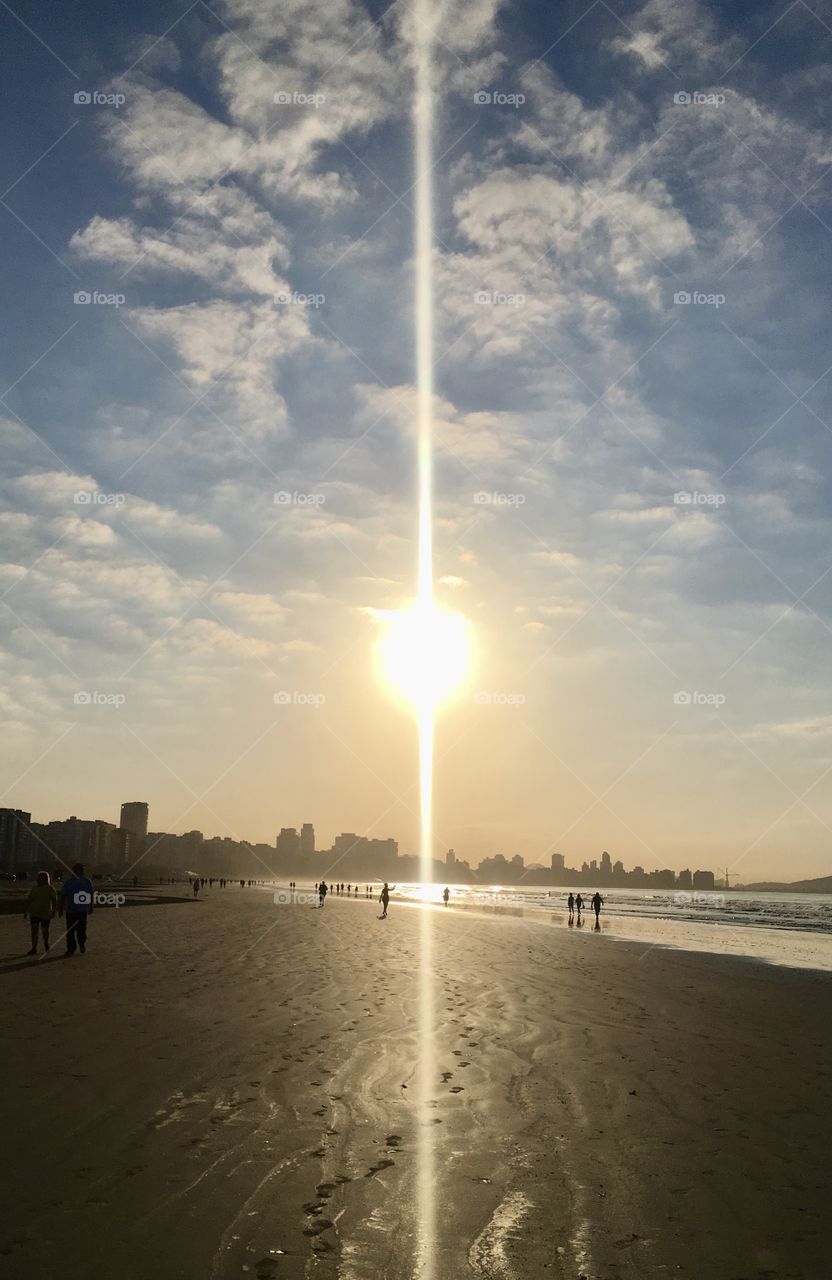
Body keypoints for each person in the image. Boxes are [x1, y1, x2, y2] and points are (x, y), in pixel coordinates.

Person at [58, 862, 94, 956]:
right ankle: (71, 949)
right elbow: (63, 896)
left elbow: (91, 894)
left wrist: (91, 906)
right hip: (71, 910)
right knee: (70, 931)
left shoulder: (87, 881)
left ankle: (81, 944)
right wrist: (61, 908)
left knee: (81, 930)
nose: (81, 872)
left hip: (82, 910)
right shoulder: (68, 882)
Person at [25, 871, 57, 955]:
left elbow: (54, 900)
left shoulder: (50, 889)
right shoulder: (34, 888)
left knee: (45, 930)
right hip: (34, 912)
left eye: (40, 878)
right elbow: (29, 900)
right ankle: (34, 947)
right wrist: (26, 910)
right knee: (34, 930)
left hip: (45, 912)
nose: (38, 880)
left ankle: (46, 943)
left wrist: (53, 911)